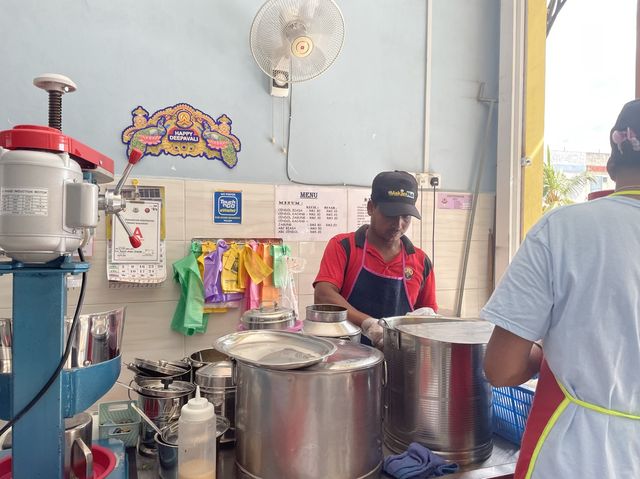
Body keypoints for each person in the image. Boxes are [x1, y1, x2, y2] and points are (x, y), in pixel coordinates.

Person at [480, 99, 640, 479]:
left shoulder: (564, 230)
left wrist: (540, 355)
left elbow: (501, 368)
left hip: (574, 456)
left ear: (612, 158)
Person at [313, 170, 437, 347]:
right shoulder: (344, 246)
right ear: (371, 207)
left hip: (399, 361)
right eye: (390, 215)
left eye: (406, 217)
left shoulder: (420, 261)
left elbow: (428, 313)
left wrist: (428, 320)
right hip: (347, 357)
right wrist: (368, 324)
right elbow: (323, 295)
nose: (398, 224)